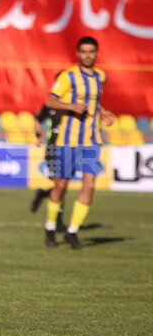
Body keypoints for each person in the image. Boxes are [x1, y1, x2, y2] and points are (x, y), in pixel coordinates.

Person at [41, 36, 114, 249]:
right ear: (78, 53)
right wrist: (71, 106)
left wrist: (104, 113)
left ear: (97, 53)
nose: (87, 55)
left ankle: (72, 232)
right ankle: (50, 227)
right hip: (67, 141)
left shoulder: (101, 76)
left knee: (90, 185)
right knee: (61, 185)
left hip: (92, 141)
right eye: (84, 51)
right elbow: (50, 100)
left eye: (91, 51)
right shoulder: (68, 76)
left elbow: (95, 102)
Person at [29, 85, 64, 223]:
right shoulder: (50, 105)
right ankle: (58, 222)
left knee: (61, 185)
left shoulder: (73, 106)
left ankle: (42, 193)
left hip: (68, 149)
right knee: (59, 184)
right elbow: (38, 120)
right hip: (52, 148)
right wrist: (38, 136)